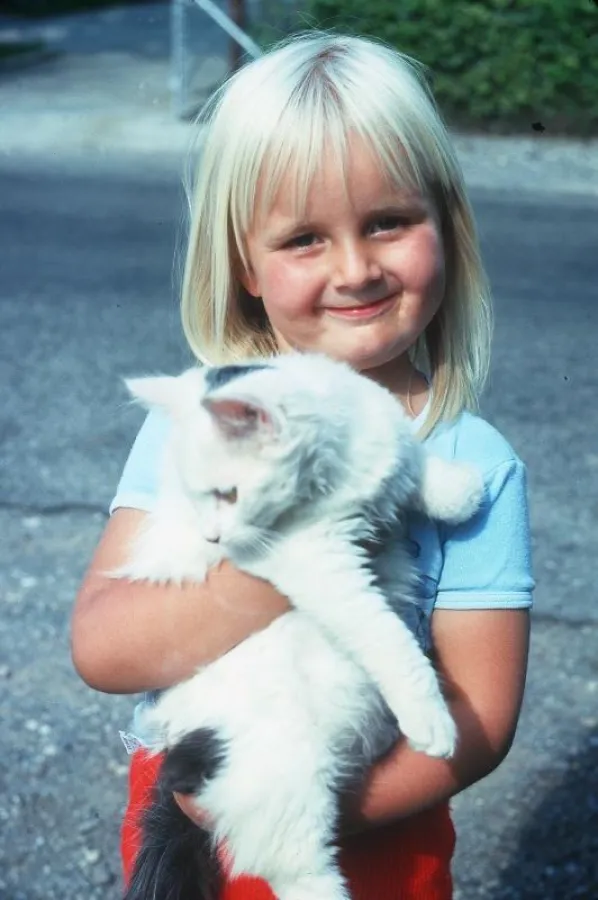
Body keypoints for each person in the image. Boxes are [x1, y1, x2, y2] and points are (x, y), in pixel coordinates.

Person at [71, 31, 534, 900]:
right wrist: (275, 573)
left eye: (388, 222)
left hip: (372, 836)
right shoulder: (201, 421)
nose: (355, 269)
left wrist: (300, 811)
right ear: (244, 263)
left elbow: (479, 719)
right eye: (303, 240)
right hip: (198, 813)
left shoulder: (475, 459)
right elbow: (103, 648)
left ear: (447, 224)